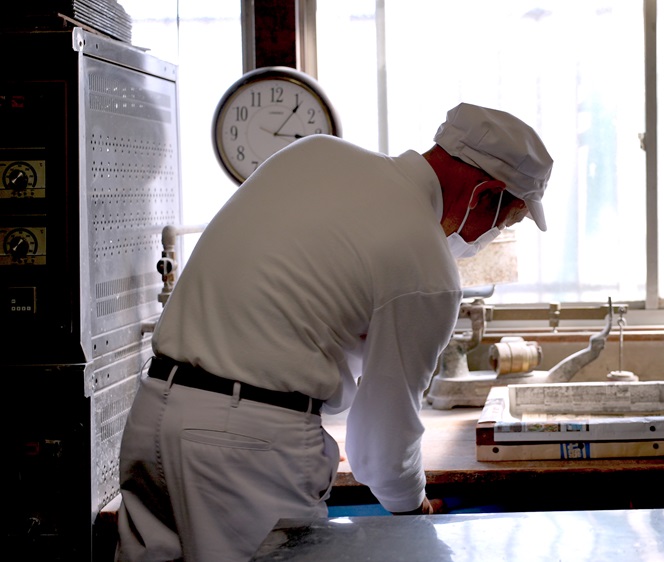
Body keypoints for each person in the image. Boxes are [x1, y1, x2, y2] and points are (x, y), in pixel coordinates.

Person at [116, 102, 554, 561]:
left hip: (154, 412)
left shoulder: (314, 154)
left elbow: (296, 300)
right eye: (506, 220)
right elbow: (381, 451)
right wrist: (415, 509)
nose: (489, 234)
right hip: (244, 450)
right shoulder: (427, 265)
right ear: (486, 194)